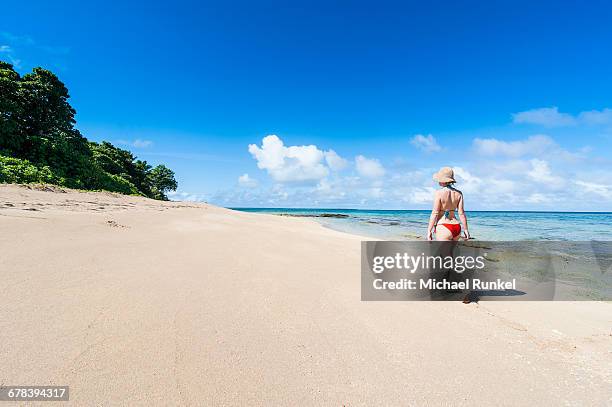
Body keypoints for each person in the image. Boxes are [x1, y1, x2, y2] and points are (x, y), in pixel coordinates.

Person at [427, 167, 470, 241]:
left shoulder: (439, 193)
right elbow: (461, 213)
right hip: (456, 227)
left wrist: (429, 231)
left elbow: (435, 213)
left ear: (443, 180)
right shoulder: (459, 193)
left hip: (444, 227)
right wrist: (466, 230)